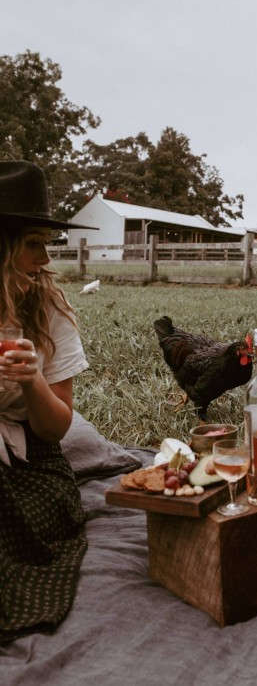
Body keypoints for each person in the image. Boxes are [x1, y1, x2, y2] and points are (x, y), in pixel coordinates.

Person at [0, 160, 98, 642]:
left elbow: (56, 428)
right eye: (33, 244)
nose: (45, 258)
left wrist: (32, 380)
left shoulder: (50, 309)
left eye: (46, 243)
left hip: (29, 459)